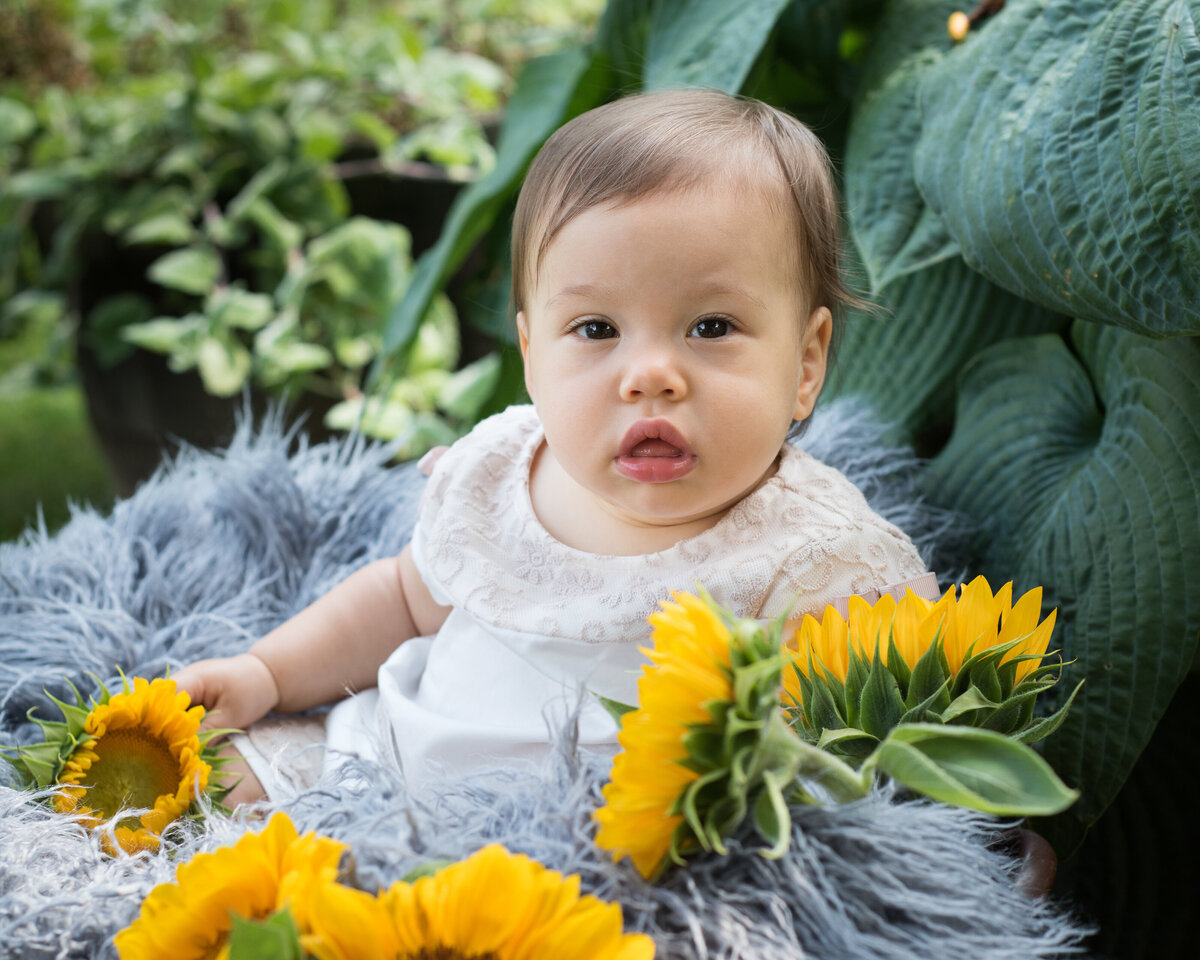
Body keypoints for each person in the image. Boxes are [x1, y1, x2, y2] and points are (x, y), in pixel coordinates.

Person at [175, 89, 938, 804]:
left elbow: (895, 732)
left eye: (711, 328)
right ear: (533, 356)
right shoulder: (503, 473)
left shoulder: (815, 556)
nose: (650, 377)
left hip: (618, 841)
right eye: (597, 330)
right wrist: (266, 672)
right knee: (217, 785)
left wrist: (967, 827)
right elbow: (401, 602)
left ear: (805, 365)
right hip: (392, 761)